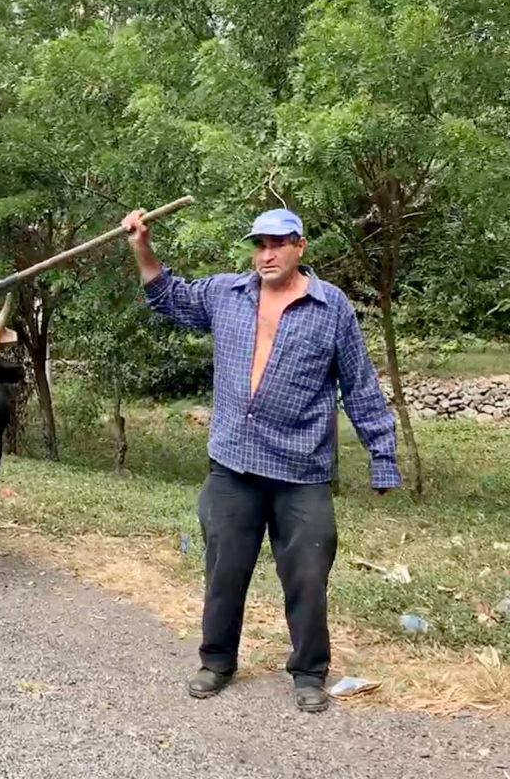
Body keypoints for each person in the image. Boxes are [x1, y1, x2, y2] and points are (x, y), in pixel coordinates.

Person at [121, 207, 401, 713]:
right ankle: (217, 661)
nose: (266, 254)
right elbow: (167, 295)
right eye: (259, 245)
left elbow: (360, 387)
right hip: (232, 464)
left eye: (277, 244)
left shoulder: (331, 306)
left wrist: (382, 456)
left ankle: (309, 672)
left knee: (308, 576)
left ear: (300, 246)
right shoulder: (227, 293)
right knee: (224, 571)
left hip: (301, 470)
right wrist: (142, 245)